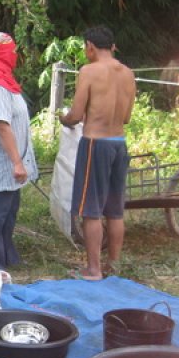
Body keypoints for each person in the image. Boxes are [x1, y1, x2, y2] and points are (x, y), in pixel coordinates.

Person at [59, 25, 136, 281]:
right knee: (114, 209)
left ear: (90, 46)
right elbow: (125, 117)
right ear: (112, 47)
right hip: (118, 143)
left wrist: (64, 119)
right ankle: (114, 265)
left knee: (91, 209)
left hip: (96, 144)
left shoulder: (88, 71)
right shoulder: (128, 73)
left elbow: (77, 114)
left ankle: (93, 270)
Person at [0, 32, 38, 270]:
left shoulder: (6, 83)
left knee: (8, 213)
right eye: (11, 51)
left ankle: (5, 257)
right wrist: (17, 163)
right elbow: (2, 126)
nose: (14, 55)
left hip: (11, 162)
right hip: (3, 163)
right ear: (1, 55)